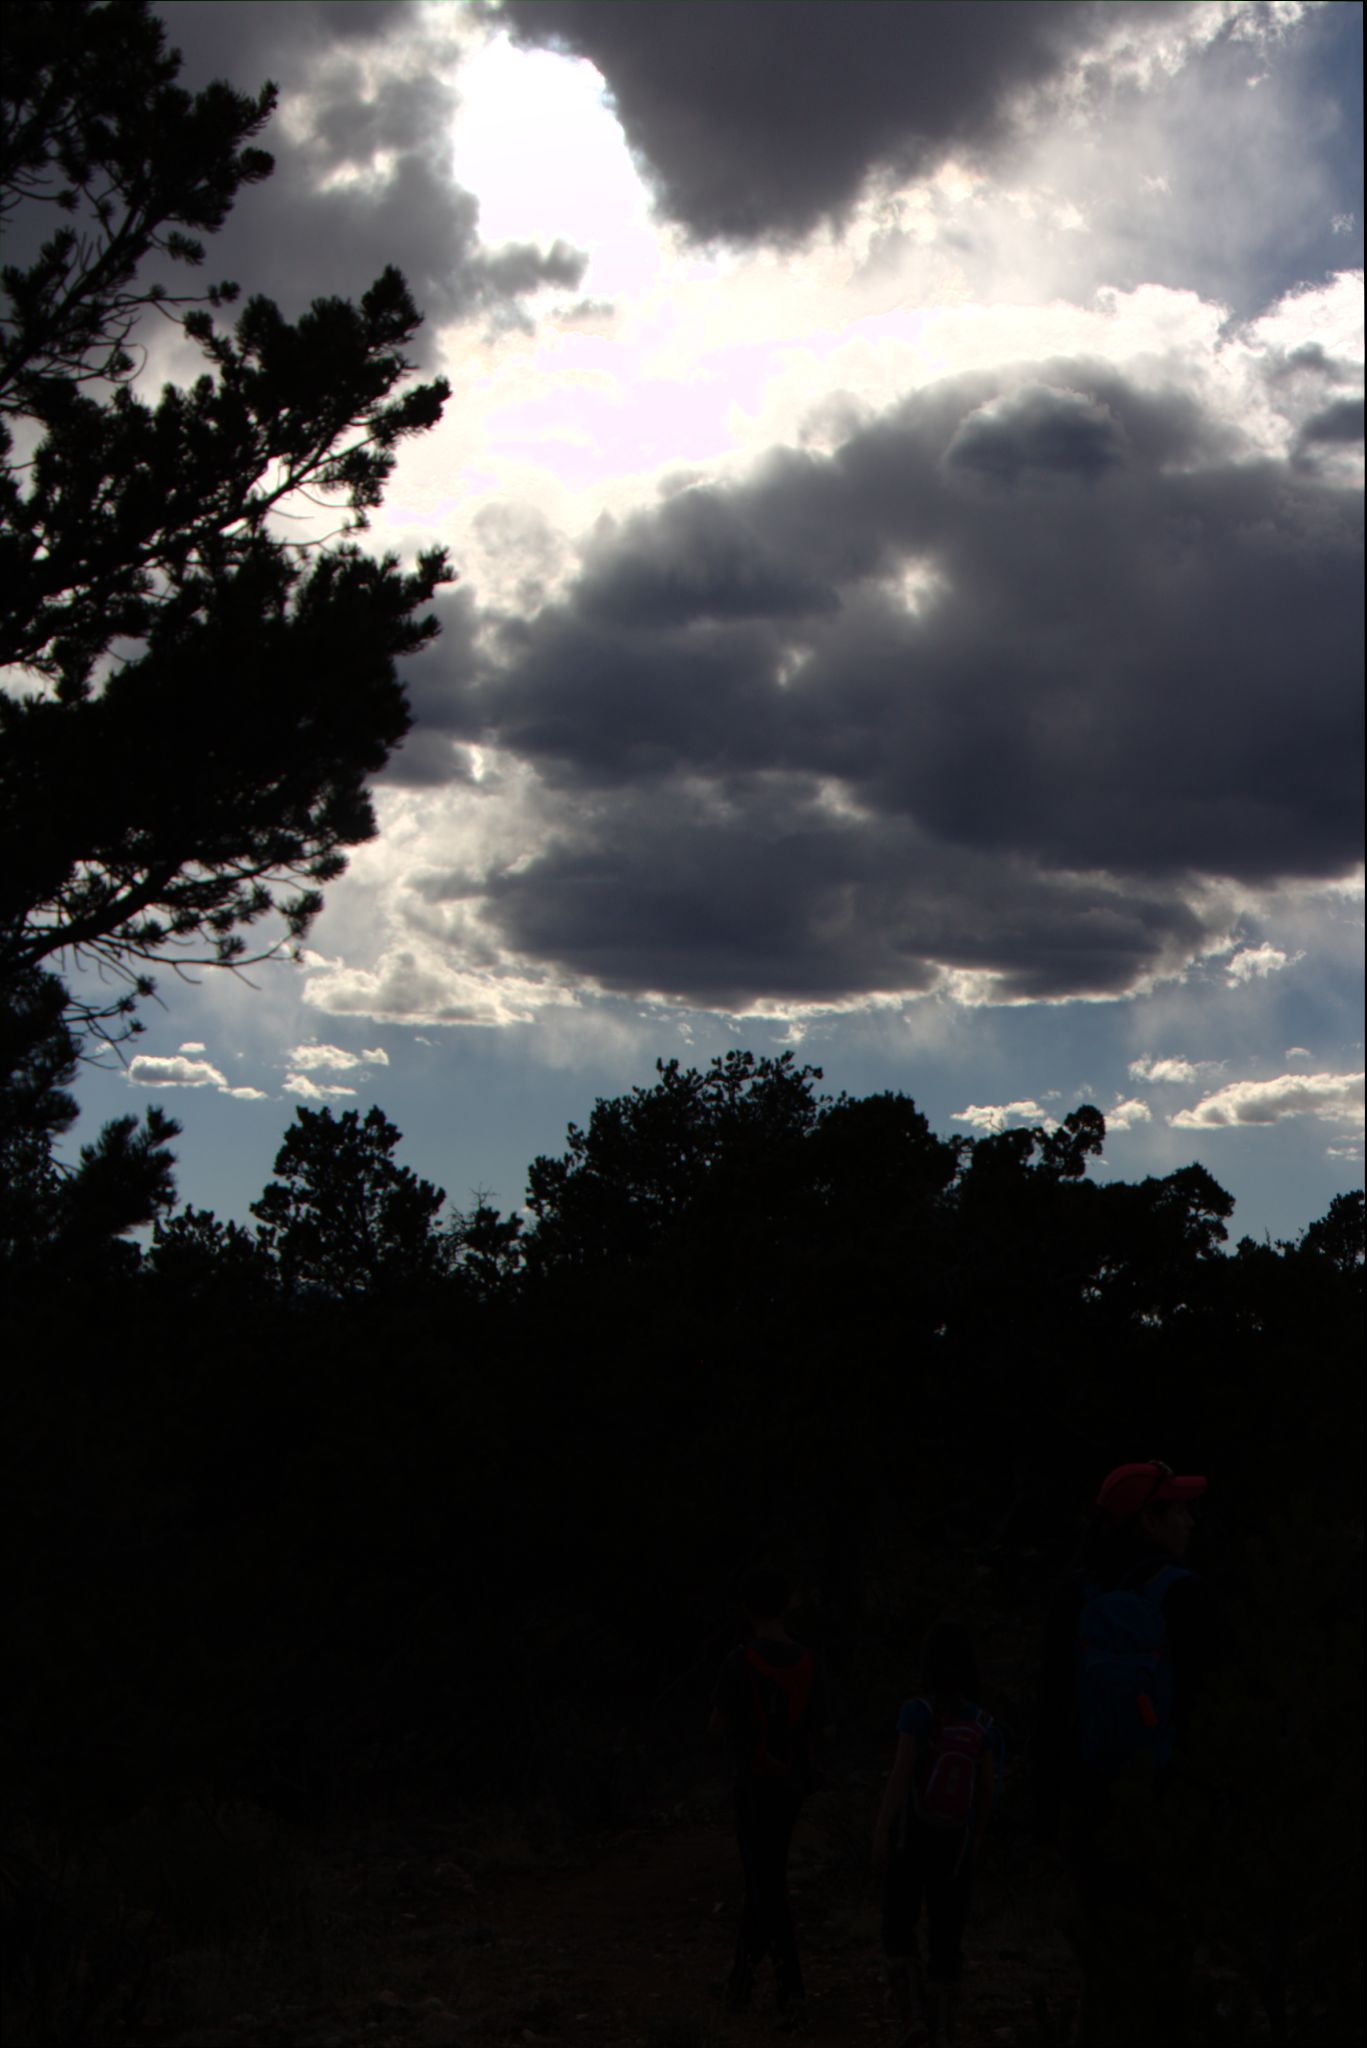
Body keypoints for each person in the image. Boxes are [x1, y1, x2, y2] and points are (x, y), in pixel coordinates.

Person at [1034, 1459, 1219, 2048]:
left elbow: (1051, 1709)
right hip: (1167, 1812)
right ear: (1148, 1518)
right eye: (1179, 1508)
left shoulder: (1073, 1593)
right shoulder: (1185, 1595)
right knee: (1164, 1973)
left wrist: (1050, 1810)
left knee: (1102, 1971)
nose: (1189, 1520)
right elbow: (1213, 1709)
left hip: (1089, 1808)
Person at [708, 1564, 832, 2029]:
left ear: (746, 1608)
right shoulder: (808, 1660)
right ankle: (743, 1980)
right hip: (791, 1786)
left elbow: (716, 1726)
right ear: (787, 1603)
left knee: (765, 1883)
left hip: (752, 1784)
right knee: (768, 1878)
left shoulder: (739, 1661)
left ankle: (786, 1986)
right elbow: (825, 1724)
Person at [873, 1620, 1002, 2048]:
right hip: (956, 1842)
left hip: (913, 1836)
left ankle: (909, 2017)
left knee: (899, 1922)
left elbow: (900, 1775)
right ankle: (944, 2026)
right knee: (947, 1931)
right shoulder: (983, 1722)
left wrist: (881, 1830)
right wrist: (976, 1837)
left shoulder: (918, 1712)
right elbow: (985, 1790)